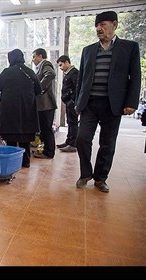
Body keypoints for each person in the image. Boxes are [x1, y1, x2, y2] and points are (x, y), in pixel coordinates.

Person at [75, 11, 141, 193]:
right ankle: (85, 173)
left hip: (113, 104)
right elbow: (82, 78)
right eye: (97, 25)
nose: (99, 28)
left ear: (114, 24)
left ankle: (100, 178)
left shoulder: (129, 47)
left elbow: (135, 77)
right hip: (89, 103)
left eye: (103, 24)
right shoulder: (88, 50)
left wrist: (131, 102)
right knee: (81, 139)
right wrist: (78, 102)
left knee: (108, 143)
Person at [0, 49, 41, 168]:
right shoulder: (30, 71)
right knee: (25, 137)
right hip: (27, 109)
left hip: (10, 109)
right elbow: (38, 90)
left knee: (10, 136)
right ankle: (25, 162)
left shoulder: (7, 72)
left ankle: (12, 162)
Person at [32, 48, 57, 159]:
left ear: (40, 56)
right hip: (42, 105)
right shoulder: (40, 67)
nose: (33, 59)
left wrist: (39, 88)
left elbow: (51, 74)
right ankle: (45, 150)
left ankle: (49, 152)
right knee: (44, 129)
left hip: (46, 104)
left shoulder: (46, 64)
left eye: (34, 56)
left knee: (47, 129)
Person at [56, 55, 79, 153]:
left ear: (66, 62)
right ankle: (68, 141)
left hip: (72, 103)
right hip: (69, 102)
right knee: (70, 122)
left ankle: (73, 144)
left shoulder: (74, 73)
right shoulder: (69, 73)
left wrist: (72, 101)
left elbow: (77, 88)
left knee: (73, 123)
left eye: (61, 65)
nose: (60, 68)